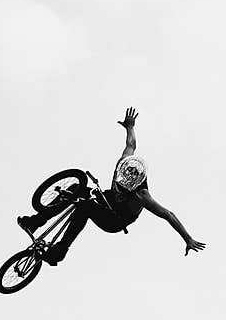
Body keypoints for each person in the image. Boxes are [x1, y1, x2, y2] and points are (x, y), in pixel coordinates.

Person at [17, 108, 206, 265]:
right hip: (107, 199)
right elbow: (131, 143)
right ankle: (36, 222)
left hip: (116, 219)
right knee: (76, 188)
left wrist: (187, 238)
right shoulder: (124, 161)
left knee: (84, 207)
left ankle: (59, 252)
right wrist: (130, 126)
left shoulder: (142, 195)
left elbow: (168, 215)